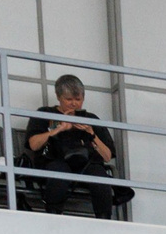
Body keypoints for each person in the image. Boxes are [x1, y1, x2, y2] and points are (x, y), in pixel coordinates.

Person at [20, 75, 123, 219]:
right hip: (55, 162)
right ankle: (53, 217)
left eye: (78, 99)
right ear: (58, 97)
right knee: (60, 172)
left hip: (86, 165)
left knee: (101, 178)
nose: (74, 104)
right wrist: (57, 128)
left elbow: (107, 156)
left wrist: (91, 133)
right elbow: (34, 145)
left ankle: (105, 220)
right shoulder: (45, 114)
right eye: (69, 99)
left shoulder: (91, 119)